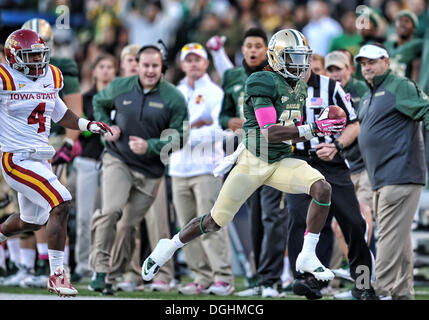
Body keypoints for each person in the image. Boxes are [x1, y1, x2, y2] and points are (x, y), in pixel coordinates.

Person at [142, 29, 347, 289]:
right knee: (215, 221)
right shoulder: (262, 80)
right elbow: (269, 131)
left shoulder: (300, 87)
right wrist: (315, 129)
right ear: (276, 57)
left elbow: (290, 134)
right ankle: (168, 247)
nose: (300, 64)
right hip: (253, 161)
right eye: (293, 57)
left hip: (280, 161)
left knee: (322, 189)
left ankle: (307, 254)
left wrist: (319, 130)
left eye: (302, 57)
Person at [0, 29, 112, 296]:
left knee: (32, 220)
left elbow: (58, 110)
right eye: (31, 55)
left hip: (41, 157)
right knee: (61, 200)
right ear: (13, 57)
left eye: (40, 54)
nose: (38, 60)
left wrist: (87, 124)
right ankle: (57, 274)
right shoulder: (4, 78)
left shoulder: (51, 74)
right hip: (16, 157)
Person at [88, 45, 188, 293]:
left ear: (161, 67)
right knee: (110, 211)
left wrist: (152, 146)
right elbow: (98, 102)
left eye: (155, 66)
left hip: (150, 172)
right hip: (118, 159)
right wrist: (106, 128)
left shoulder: (173, 97)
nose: (150, 70)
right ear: (138, 65)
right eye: (145, 65)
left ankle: (113, 276)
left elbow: (180, 136)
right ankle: (99, 270)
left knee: (126, 226)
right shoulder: (121, 86)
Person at [286, 54, 377, 300]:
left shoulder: (330, 86)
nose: (294, 64)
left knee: (352, 221)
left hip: (330, 160)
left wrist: (336, 145)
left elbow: (354, 124)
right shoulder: (279, 88)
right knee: (298, 218)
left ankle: (362, 282)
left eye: (298, 58)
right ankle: (307, 279)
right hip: (296, 160)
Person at [208, 28, 290, 298]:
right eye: (248, 46)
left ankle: (272, 278)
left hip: (275, 153)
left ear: (267, 49)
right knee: (254, 217)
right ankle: (257, 278)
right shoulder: (232, 76)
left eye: (258, 45)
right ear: (241, 50)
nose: (253, 50)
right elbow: (223, 116)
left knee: (272, 215)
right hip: (246, 155)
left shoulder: (278, 75)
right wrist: (229, 122)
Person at [356, 43, 429, 300]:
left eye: (372, 61)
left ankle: (380, 289)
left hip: (400, 173)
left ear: (386, 61)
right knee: (399, 238)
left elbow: (426, 109)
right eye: (363, 63)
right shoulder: (367, 96)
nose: (367, 67)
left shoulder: (400, 85)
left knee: (386, 235)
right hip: (381, 177)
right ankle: (402, 292)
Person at [19, 18, 83, 288]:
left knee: (56, 205)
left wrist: (68, 144)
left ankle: (58, 268)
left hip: (50, 143)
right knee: (27, 211)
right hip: (21, 147)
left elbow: (73, 108)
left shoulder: (59, 68)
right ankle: (29, 266)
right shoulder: (12, 73)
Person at [169, 42, 234, 295]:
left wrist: (185, 134)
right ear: (182, 64)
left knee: (212, 223)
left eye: (198, 59)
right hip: (178, 168)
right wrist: (195, 126)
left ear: (206, 63)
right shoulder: (176, 91)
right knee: (186, 227)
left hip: (207, 167)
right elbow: (166, 128)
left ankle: (223, 277)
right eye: (189, 60)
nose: (193, 64)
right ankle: (201, 276)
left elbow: (220, 130)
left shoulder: (216, 92)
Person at [324, 50, 374, 283]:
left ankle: (365, 274)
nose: (335, 74)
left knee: (362, 216)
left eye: (339, 68)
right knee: (337, 226)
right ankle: (360, 277)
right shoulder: (326, 92)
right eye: (330, 69)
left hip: (366, 165)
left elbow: (365, 127)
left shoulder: (361, 91)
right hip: (344, 167)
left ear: (349, 69)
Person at [71, 54, 117, 282]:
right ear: (94, 71)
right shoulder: (84, 98)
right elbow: (80, 128)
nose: (106, 71)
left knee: (107, 216)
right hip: (88, 159)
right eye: (102, 66)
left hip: (113, 161)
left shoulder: (120, 97)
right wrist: (93, 127)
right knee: (84, 216)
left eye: (110, 67)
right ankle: (82, 264)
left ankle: (105, 265)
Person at [384, 10, 423, 81]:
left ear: (414, 28)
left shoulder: (417, 45)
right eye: (400, 21)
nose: (402, 24)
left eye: (407, 21)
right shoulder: (387, 45)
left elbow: (416, 73)